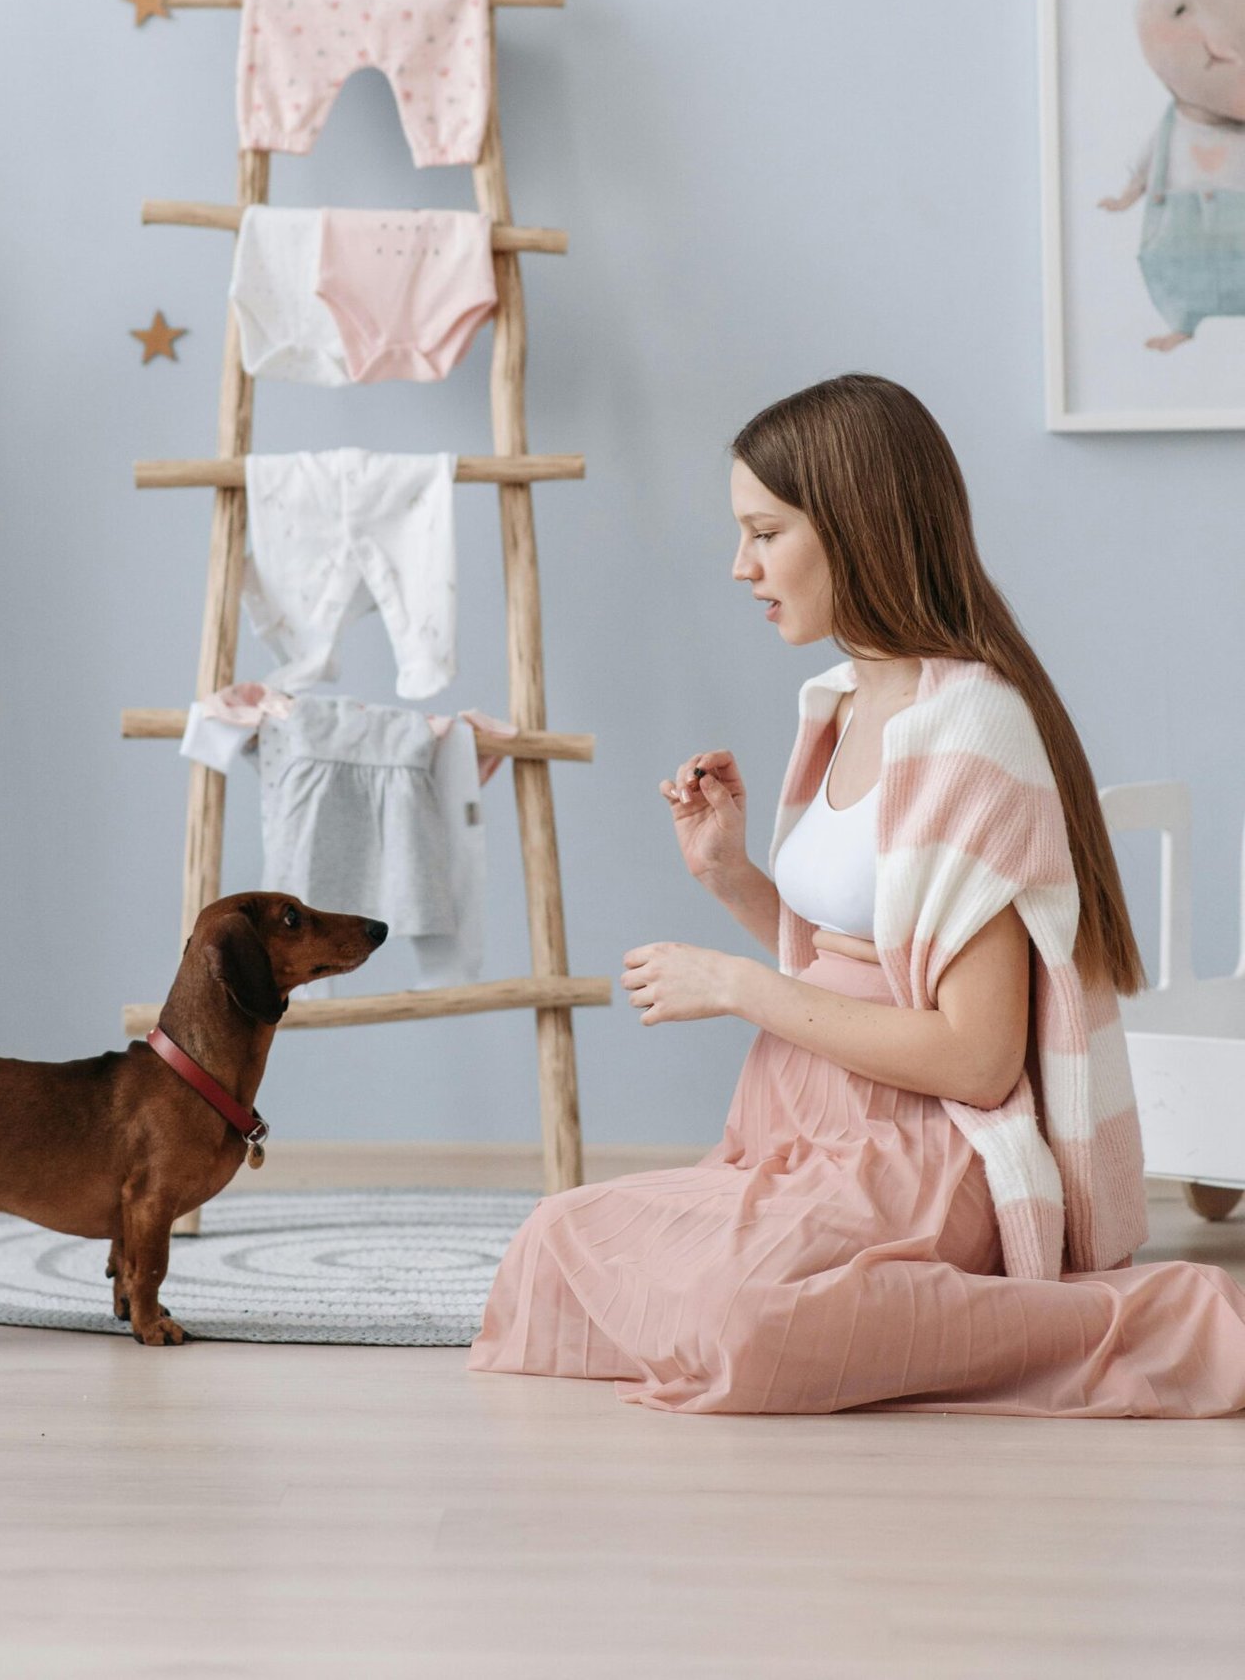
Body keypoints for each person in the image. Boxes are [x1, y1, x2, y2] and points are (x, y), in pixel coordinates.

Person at [466, 373, 1245, 1416]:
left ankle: (1148, 1319)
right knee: (553, 1245)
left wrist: (736, 987)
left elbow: (975, 1059)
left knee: (742, 1320)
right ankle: (876, 1313)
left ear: (856, 528)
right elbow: (856, 956)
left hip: (924, 1151)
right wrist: (730, 875)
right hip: (795, 1128)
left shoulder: (973, 730)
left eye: (765, 533)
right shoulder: (836, 703)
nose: (740, 565)